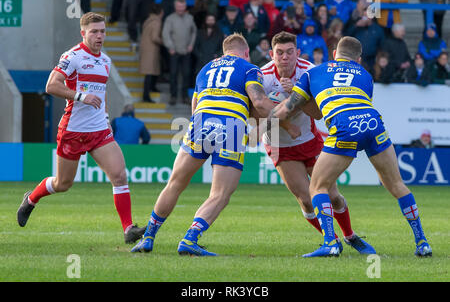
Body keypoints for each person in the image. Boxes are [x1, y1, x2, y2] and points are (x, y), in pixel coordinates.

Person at [268, 36, 432, 257]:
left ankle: (330, 244)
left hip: (344, 127)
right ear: (359, 60)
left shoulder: (313, 73)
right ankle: (422, 242)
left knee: (318, 187)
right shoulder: (365, 75)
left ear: (334, 53)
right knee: (396, 185)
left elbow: (287, 109)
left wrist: (264, 120)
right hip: (373, 124)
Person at [130, 33, 278, 256]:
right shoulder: (249, 69)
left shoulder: (206, 68)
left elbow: (195, 103)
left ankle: (148, 237)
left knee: (175, 183)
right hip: (231, 126)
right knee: (220, 194)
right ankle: (190, 238)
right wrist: (282, 114)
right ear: (246, 53)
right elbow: (258, 102)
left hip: (200, 122)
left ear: (224, 50)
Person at [16, 12, 145, 244]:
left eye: (102, 31)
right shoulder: (72, 56)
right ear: (83, 33)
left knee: (119, 175)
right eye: (94, 31)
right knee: (62, 184)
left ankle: (128, 229)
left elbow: (101, 93)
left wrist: (105, 117)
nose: (99, 36)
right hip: (73, 130)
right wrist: (79, 96)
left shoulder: (105, 61)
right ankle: (31, 198)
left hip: (99, 131)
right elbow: (51, 85)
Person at [260, 31, 375, 255]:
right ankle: (330, 240)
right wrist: (285, 125)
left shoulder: (310, 71)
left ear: (298, 53)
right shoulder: (262, 77)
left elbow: (318, 111)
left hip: (309, 139)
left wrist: (294, 94)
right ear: (271, 54)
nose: (284, 57)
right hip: (279, 145)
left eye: (289, 52)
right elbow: (257, 116)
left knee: (332, 194)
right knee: (306, 199)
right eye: (279, 53)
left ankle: (350, 236)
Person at [162, 0, 197, 105]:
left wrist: (191, 44)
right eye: (178, 7)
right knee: (173, 74)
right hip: (174, 52)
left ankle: (185, 96)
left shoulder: (190, 18)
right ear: (175, 7)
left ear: (185, 7)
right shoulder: (170, 19)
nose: (180, 9)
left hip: (186, 52)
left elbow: (194, 32)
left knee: (186, 75)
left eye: (182, 7)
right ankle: (173, 96)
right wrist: (170, 47)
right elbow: (165, 34)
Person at [139, 3, 164, 103]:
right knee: (149, 73)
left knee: (150, 72)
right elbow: (154, 37)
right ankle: (146, 95)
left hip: (146, 49)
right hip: (151, 50)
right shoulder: (156, 22)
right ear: (160, 13)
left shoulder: (148, 20)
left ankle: (152, 88)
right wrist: (163, 41)